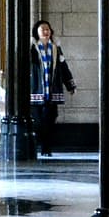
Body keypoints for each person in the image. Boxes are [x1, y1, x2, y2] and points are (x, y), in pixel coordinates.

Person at [29, 20, 76, 156]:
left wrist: (70, 85)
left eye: (47, 29)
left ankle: (46, 147)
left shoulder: (56, 49)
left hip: (52, 91)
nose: (46, 32)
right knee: (38, 120)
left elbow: (63, 67)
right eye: (43, 29)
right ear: (37, 32)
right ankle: (40, 145)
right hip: (37, 90)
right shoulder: (32, 48)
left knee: (50, 119)